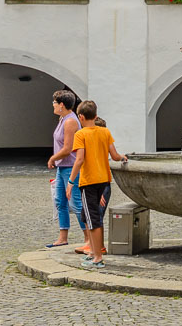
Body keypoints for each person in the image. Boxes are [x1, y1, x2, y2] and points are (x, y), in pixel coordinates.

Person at [66, 100, 127, 268]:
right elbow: (114, 155)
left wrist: (71, 182)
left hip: (89, 181)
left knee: (93, 219)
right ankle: (93, 252)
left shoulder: (81, 134)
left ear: (81, 117)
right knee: (88, 217)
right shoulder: (105, 132)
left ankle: (97, 257)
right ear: (96, 115)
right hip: (104, 180)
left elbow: (79, 160)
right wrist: (123, 157)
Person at [45, 90, 84, 247]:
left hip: (71, 167)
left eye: (54, 102)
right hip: (62, 167)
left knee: (76, 203)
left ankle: (89, 238)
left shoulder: (70, 122)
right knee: (60, 202)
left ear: (61, 105)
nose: (53, 105)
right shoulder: (62, 118)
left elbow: (68, 148)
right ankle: (63, 237)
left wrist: (53, 158)